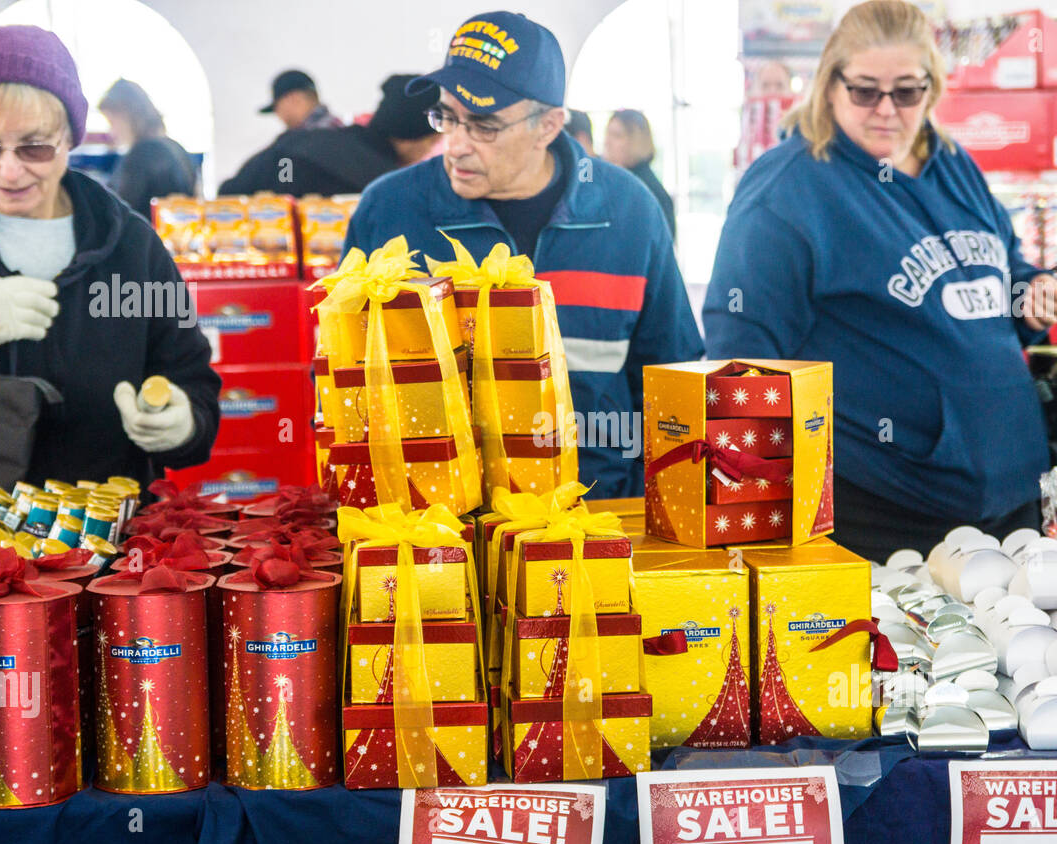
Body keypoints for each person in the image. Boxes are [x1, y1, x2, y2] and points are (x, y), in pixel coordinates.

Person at [703, 0, 1057, 562]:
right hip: (892, 510)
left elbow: (1002, 261)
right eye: (865, 90)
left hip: (1015, 489)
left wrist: (1031, 287)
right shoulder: (789, 188)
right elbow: (741, 358)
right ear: (829, 85)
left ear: (933, 88)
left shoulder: (951, 161)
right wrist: (755, 531)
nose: (887, 110)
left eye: (907, 92)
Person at [344, 11, 702, 498]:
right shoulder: (389, 210)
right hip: (434, 532)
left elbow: (674, 378)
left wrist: (649, 507)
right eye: (447, 117)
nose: (456, 145)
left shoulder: (628, 212)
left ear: (549, 125)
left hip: (595, 522)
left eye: (484, 126)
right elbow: (344, 378)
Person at [0, 25, 220, 489]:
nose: (7, 170)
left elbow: (194, 384)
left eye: (34, 146)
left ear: (71, 136)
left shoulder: (132, 246)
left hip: (108, 544)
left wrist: (181, 423)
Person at [218, 74, 437, 197]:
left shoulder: (296, 143)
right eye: (433, 139)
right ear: (418, 138)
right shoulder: (389, 184)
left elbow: (231, 191)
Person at [97, 78, 197, 219]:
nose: (111, 131)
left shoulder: (143, 154)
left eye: (112, 122)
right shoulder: (175, 147)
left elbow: (119, 212)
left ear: (127, 116)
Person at [603, 109, 675, 238]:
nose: (607, 142)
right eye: (607, 134)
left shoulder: (649, 190)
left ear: (637, 141)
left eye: (617, 136)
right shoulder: (610, 180)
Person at [259, 69, 342, 131]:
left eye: (277, 108)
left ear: (293, 98)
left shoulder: (299, 143)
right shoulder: (345, 131)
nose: (278, 115)